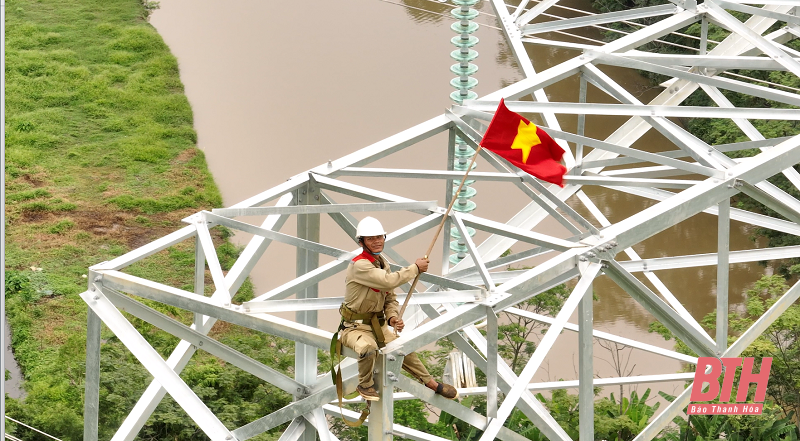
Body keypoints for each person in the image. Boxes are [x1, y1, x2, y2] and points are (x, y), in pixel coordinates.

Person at [338, 216, 459, 401]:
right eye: (371, 239)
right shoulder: (360, 265)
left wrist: (392, 318)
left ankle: (431, 383)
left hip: (377, 326)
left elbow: (389, 296)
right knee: (367, 348)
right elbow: (389, 281)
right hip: (354, 327)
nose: (377, 242)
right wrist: (415, 268)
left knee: (402, 349)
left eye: (380, 237)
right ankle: (365, 385)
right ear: (362, 242)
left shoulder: (381, 263)